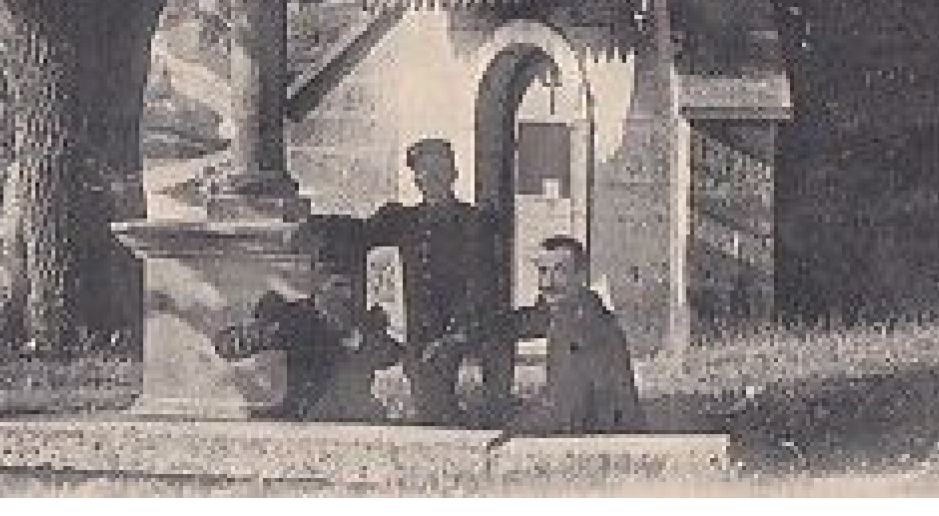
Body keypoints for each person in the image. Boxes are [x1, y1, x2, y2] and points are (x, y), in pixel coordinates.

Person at [430, 234, 644, 435]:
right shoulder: (568, 307)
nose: (547, 283)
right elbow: (522, 322)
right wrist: (461, 337)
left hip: (603, 440)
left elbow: (560, 411)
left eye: (559, 271)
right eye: (543, 271)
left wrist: (503, 427)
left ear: (581, 276)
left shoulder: (583, 323)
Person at [363, 138, 501, 425]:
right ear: (416, 179)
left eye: (440, 168)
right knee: (427, 413)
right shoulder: (404, 220)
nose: (432, 177)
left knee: (459, 414)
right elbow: (356, 236)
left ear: (454, 174)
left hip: (462, 338)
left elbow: (481, 283)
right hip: (417, 339)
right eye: (424, 170)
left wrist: (456, 335)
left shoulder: (474, 222)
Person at [212, 245, 402, 423]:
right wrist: (259, 415)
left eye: (239, 337)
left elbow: (299, 284)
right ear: (249, 354)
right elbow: (294, 404)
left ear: (241, 325)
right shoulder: (294, 357)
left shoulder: (271, 308)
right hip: (362, 336)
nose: (248, 340)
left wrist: (323, 293)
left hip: (345, 294)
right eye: (243, 348)